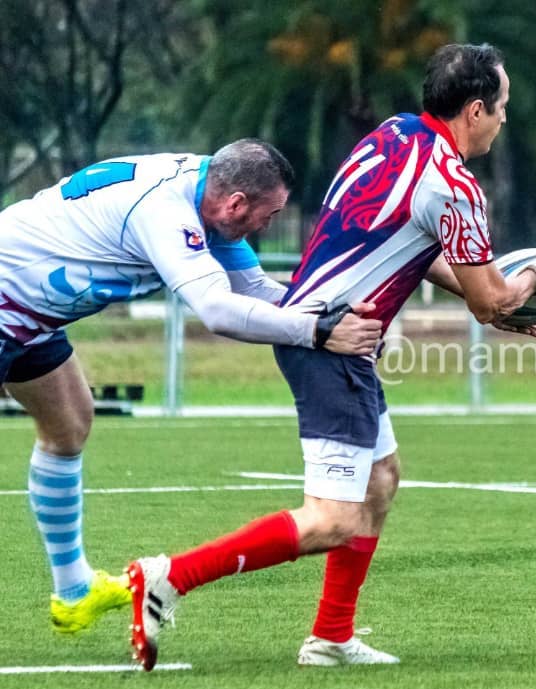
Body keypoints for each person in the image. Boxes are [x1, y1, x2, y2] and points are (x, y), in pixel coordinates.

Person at [124, 42, 536, 671]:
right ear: (475, 110)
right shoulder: (455, 186)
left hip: (330, 333)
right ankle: (168, 576)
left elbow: (413, 246)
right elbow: (488, 301)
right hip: (332, 345)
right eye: (502, 106)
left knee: (382, 480)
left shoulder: (393, 135)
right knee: (332, 520)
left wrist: (505, 296)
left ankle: (331, 637)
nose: (505, 119)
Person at [0, 139, 383, 634]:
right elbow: (218, 311)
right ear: (236, 204)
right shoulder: (166, 209)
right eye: (267, 217)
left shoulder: (212, 197)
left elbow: (258, 292)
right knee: (67, 425)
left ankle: (75, 591)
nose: (266, 227)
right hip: (7, 297)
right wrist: (320, 331)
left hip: (31, 316)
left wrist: (337, 311)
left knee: (69, 424)